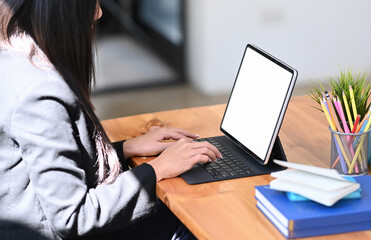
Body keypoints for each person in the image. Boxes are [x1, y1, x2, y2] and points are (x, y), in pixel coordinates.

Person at [0, 1, 221, 239]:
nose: (99, 12)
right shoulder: (40, 91)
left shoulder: (13, 58)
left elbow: (54, 169)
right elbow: (73, 216)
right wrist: (157, 168)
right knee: (199, 218)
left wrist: (125, 149)